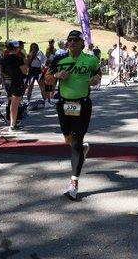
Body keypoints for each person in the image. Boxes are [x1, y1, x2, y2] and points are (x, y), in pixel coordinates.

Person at [50, 30, 101, 200]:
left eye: (75, 40)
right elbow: (47, 79)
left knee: (76, 142)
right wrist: (57, 75)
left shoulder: (91, 59)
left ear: (82, 43)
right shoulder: (59, 59)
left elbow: (98, 72)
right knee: (69, 140)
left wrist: (96, 79)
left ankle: (73, 183)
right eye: (69, 40)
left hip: (83, 104)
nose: (71, 42)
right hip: (63, 105)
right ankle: (82, 149)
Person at [0, 41, 28, 130]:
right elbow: (25, 71)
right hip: (17, 82)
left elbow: (1, 71)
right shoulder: (18, 58)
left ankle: (11, 122)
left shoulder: (4, 59)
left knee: (11, 103)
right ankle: (12, 124)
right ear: (17, 48)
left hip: (8, 82)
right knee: (15, 105)